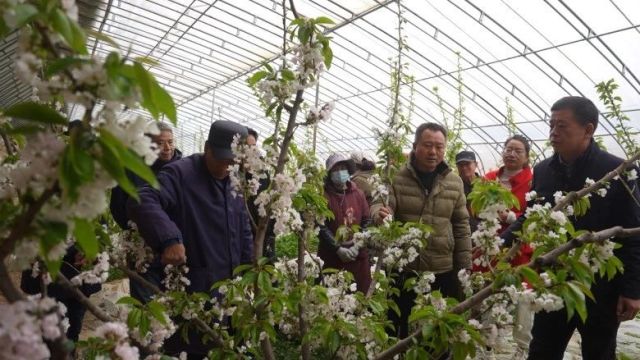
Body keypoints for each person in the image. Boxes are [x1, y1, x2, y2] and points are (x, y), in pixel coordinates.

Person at [501, 97, 640, 360]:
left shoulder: (616, 170)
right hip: (553, 282)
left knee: (598, 352)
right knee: (542, 350)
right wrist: (501, 242)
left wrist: (632, 290)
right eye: (551, 125)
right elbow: (532, 217)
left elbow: (633, 232)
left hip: (601, 287)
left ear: (588, 130)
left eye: (562, 126)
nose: (553, 133)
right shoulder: (543, 171)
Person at [127, 120, 253, 358]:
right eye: (222, 160)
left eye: (232, 162)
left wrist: (249, 275)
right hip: (192, 294)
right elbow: (142, 199)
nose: (227, 168)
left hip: (229, 296)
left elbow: (243, 229)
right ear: (207, 148)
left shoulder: (235, 181)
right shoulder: (181, 173)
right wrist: (169, 239)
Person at [371, 122, 472, 338]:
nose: (433, 152)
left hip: (442, 269)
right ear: (415, 146)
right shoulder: (394, 177)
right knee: (398, 327)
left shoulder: (454, 182)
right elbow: (379, 203)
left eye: (439, 146)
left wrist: (464, 268)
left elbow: (462, 226)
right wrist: (379, 213)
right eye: (427, 145)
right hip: (403, 268)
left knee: (436, 330)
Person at [109, 122, 182, 303]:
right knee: (146, 304)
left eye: (170, 142)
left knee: (175, 301)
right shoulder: (133, 169)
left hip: (176, 248)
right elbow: (118, 206)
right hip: (142, 249)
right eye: (160, 143)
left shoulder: (183, 169)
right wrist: (138, 231)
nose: (167, 148)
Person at [318, 153, 372, 293]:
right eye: (335, 170)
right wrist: (337, 248)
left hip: (358, 258)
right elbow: (321, 227)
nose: (340, 172)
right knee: (334, 299)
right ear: (329, 174)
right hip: (333, 257)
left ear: (348, 171)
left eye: (342, 168)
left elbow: (367, 221)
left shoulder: (358, 194)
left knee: (360, 297)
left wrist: (358, 244)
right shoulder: (323, 196)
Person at [455, 150, 480, 233]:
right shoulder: (454, 187)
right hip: (461, 232)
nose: (464, 168)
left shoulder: (486, 186)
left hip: (484, 233)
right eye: (460, 165)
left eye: (467, 164)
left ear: (476, 165)